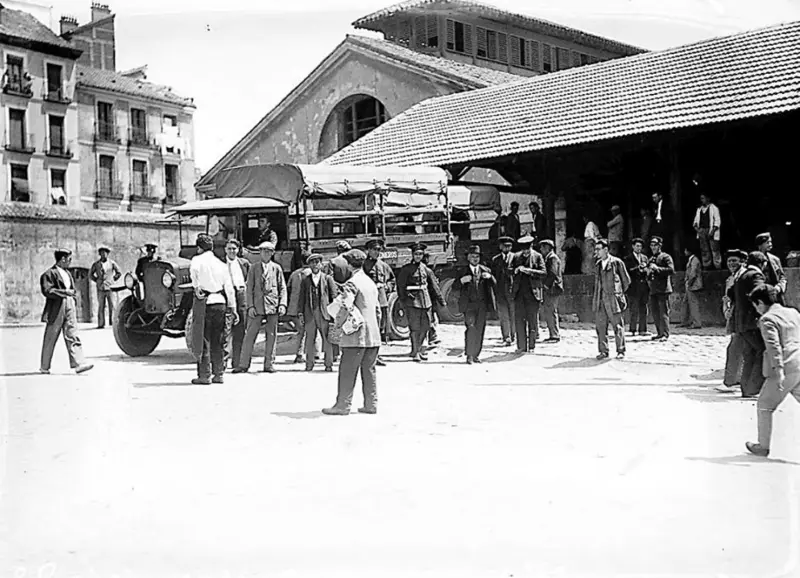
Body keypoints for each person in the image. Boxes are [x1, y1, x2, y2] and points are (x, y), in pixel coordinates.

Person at [322, 249, 381, 416]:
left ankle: (343, 405)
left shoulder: (352, 283)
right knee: (369, 370)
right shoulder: (369, 282)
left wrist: (338, 324)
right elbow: (377, 310)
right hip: (373, 335)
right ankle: (371, 404)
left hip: (356, 336)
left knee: (347, 370)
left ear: (348, 264)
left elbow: (346, 306)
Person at [745, 285, 800, 457]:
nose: (756, 309)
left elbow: (773, 346)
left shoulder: (767, 319)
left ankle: (763, 446)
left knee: (764, 405)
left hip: (786, 366)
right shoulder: (793, 312)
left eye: (755, 305)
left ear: (760, 302)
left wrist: (779, 369)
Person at [188, 234, 237, 385]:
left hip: (205, 302)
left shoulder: (197, 260)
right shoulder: (221, 264)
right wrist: (233, 307)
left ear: (199, 248)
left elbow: (194, 274)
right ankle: (219, 373)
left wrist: (196, 288)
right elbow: (229, 288)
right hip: (220, 302)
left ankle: (204, 374)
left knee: (203, 339)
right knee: (219, 339)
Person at [39, 249, 94, 375]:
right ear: (62, 259)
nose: (70, 262)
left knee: (72, 333)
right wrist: (64, 293)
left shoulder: (68, 274)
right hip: (56, 306)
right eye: (69, 259)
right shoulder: (49, 274)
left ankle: (79, 363)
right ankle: (44, 366)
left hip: (69, 304)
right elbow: (47, 291)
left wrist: (72, 298)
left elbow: (72, 290)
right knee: (51, 336)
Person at [235, 241, 287, 374]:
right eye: (264, 251)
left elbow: (282, 288)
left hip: (272, 306)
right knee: (250, 335)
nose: (266, 254)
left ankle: (269, 364)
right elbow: (249, 288)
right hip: (257, 306)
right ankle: (243, 364)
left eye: (269, 251)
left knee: (272, 335)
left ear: (272, 253)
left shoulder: (277, 268)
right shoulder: (254, 268)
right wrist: (250, 306)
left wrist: (282, 304)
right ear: (260, 253)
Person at [396, 242, 445, 362]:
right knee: (415, 327)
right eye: (416, 254)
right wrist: (404, 299)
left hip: (426, 301)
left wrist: (441, 301)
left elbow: (434, 286)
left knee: (426, 326)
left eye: (420, 254)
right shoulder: (406, 269)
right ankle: (415, 351)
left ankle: (419, 349)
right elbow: (400, 286)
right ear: (412, 255)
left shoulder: (426, 269)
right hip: (413, 302)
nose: (418, 256)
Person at [728, 251, 767, 398]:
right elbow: (760, 294)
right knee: (762, 352)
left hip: (742, 323)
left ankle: (747, 389)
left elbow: (731, 293)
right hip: (753, 323)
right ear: (762, 264)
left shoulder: (741, 276)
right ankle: (755, 387)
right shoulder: (755, 276)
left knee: (749, 354)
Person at [454, 245, 496, 364]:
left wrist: (491, 277)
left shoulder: (485, 270)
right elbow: (454, 287)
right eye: (472, 257)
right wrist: (461, 281)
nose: (475, 259)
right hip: (468, 306)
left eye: (477, 257)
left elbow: (495, 285)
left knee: (480, 330)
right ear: (468, 258)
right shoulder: (462, 271)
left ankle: (477, 355)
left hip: (482, 306)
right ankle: (469, 355)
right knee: (471, 328)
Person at [298, 253, 337, 372]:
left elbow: (333, 296)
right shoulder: (305, 280)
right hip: (310, 313)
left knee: (327, 339)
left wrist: (333, 313)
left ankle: (328, 364)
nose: (315, 264)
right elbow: (302, 298)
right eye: (312, 262)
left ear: (321, 264)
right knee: (310, 339)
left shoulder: (327, 278)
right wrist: (300, 313)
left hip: (324, 313)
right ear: (309, 265)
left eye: (317, 262)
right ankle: (309, 364)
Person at [593, 239, 631, 359]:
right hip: (600, 299)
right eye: (596, 249)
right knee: (600, 326)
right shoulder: (598, 265)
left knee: (618, 326)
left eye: (599, 249)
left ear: (606, 250)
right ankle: (603, 351)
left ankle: (620, 350)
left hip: (613, 299)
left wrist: (618, 294)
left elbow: (626, 281)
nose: (596, 252)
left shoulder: (617, 262)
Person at [715, 249, 747, 393]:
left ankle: (731, 381)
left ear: (742, 261)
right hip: (734, 314)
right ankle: (738, 379)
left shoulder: (744, 276)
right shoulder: (731, 277)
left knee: (734, 348)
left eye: (735, 261)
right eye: (729, 261)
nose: (732, 264)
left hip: (741, 316)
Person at [511, 235, 546, 353]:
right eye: (523, 250)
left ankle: (531, 346)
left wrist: (529, 271)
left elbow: (543, 273)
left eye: (527, 250)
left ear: (531, 247)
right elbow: (509, 270)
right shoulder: (516, 257)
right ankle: (521, 346)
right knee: (519, 321)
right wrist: (515, 270)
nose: (525, 253)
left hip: (533, 294)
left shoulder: (538, 256)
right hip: (519, 294)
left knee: (532, 321)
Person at [223, 239, 250, 370]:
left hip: (241, 294)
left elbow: (249, 280)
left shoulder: (244, 263)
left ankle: (237, 362)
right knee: (225, 330)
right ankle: (222, 362)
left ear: (238, 250)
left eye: (234, 249)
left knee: (240, 329)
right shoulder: (221, 264)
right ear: (225, 250)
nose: (232, 251)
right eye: (229, 249)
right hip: (227, 295)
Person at [364, 238, 395, 347]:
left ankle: (380, 342)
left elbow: (392, 279)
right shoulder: (364, 265)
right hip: (369, 297)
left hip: (381, 297)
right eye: (374, 249)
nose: (377, 252)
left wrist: (387, 287)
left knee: (382, 320)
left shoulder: (383, 265)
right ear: (368, 250)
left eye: (378, 250)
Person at [646, 236, 675, 341]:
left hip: (663, 289)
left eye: (655, 245)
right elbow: (649, 274)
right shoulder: (651, 259)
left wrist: (657, 269)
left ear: (660, 246)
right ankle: (659, 332)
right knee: (655, 312)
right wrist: (647, 272)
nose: (653, 247)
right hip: (653, 289)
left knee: (663, 312)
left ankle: (665, 334)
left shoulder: (666, 257)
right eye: (652, 245)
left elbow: (671, 270)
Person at [286, 251, 312, 365]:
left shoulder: (294, 274)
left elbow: (288, 289)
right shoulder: (312, 273)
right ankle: (312, 354)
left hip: (294, 308)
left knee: (300, 332)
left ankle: (300, 354)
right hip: (307, 308)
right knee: (310, 331)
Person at [491, 236, 516, 346]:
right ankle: (506, 337)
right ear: (500, 247)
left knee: (514, 314)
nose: (507, 248)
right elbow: (493, 276)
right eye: (505, 246)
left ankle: (514, 335)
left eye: (509, 246)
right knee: (503, 316)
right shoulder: (495, 260)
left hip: (513, 292)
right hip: (500, 292)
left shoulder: (516, 258)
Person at [89, 246, 121, 329]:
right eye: (102, 253)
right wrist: (97, 280)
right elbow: (90, 274)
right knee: (101, 306)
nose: (104, 254)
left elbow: (119, 272)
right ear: (99, 254)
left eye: (105, 252)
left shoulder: (112, 263)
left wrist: (113, 279)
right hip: (101, 288)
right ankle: (101, 323)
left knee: (112, 306)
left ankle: (112, 323)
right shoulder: (96, 264)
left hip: (110, 287)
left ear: (108, 254)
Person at [539, 239, 563, 343]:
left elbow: (552, 273)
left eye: (542, 247)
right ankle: (553, 334)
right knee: (549, 311)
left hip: (553, 289)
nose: (541, 250)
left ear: (548, 248)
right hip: (551, 288)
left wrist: (546, 285)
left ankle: (555, 335)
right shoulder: (549, 258)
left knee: (551, 311)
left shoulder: (552, 258)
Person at [625, 238, 650, 336]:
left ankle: (643, 329)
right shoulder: (628, 258)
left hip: (644, 286)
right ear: (633, 246)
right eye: (637, 246)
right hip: (633, 287)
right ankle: (632, 329)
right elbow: (627, 271)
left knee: (644, 308)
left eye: (640, 246)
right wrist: (638, 268)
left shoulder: (645, 258)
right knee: (633, 309)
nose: (639, 248)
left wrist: (646, 269)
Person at [756, 233, 787, 305]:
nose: (770, 244)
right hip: (760, 298)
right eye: (767, 242)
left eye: (771, 242)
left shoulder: (775, 259)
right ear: (760, 245)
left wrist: (779, 288)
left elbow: (782, 277)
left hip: (776, 296)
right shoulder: (753, 259)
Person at [692, 194, 722, 269]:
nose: (702, 200)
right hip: (702, 230)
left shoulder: (714, 208)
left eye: (703, 198)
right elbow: (695, 221)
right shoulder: (699, 209)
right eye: (701, 199)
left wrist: (712, 231)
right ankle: (707, 266)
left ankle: (717, 266)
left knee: (715, 249)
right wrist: (698, 230)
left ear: (708, 199)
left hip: (711, 230)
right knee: (704, 250)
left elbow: (717, 220)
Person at [680, 242, 704, 329]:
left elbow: (693, 273)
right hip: (690, 285)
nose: (684, 252)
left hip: (693, 285)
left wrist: (689, 283)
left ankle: (697, 323)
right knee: (685, 303)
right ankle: (685, 321)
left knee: (693, 304)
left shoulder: (694, 260)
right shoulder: (692, 259)